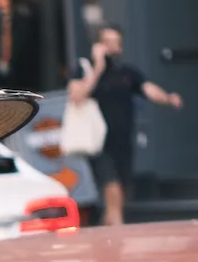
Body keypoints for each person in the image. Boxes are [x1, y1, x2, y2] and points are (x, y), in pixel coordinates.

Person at [68, 24, 183, 226]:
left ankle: (108, 236)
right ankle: (118, 239)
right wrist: (97, 68)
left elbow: (148, 88)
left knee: (120, 196)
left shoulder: (127, 72)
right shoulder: (84, 69)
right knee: (112, 190)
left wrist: (168, 98)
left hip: (123, 142)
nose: (111, 48)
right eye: (106, 42)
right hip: (99, 144)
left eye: (115, 43)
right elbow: (76, 96)